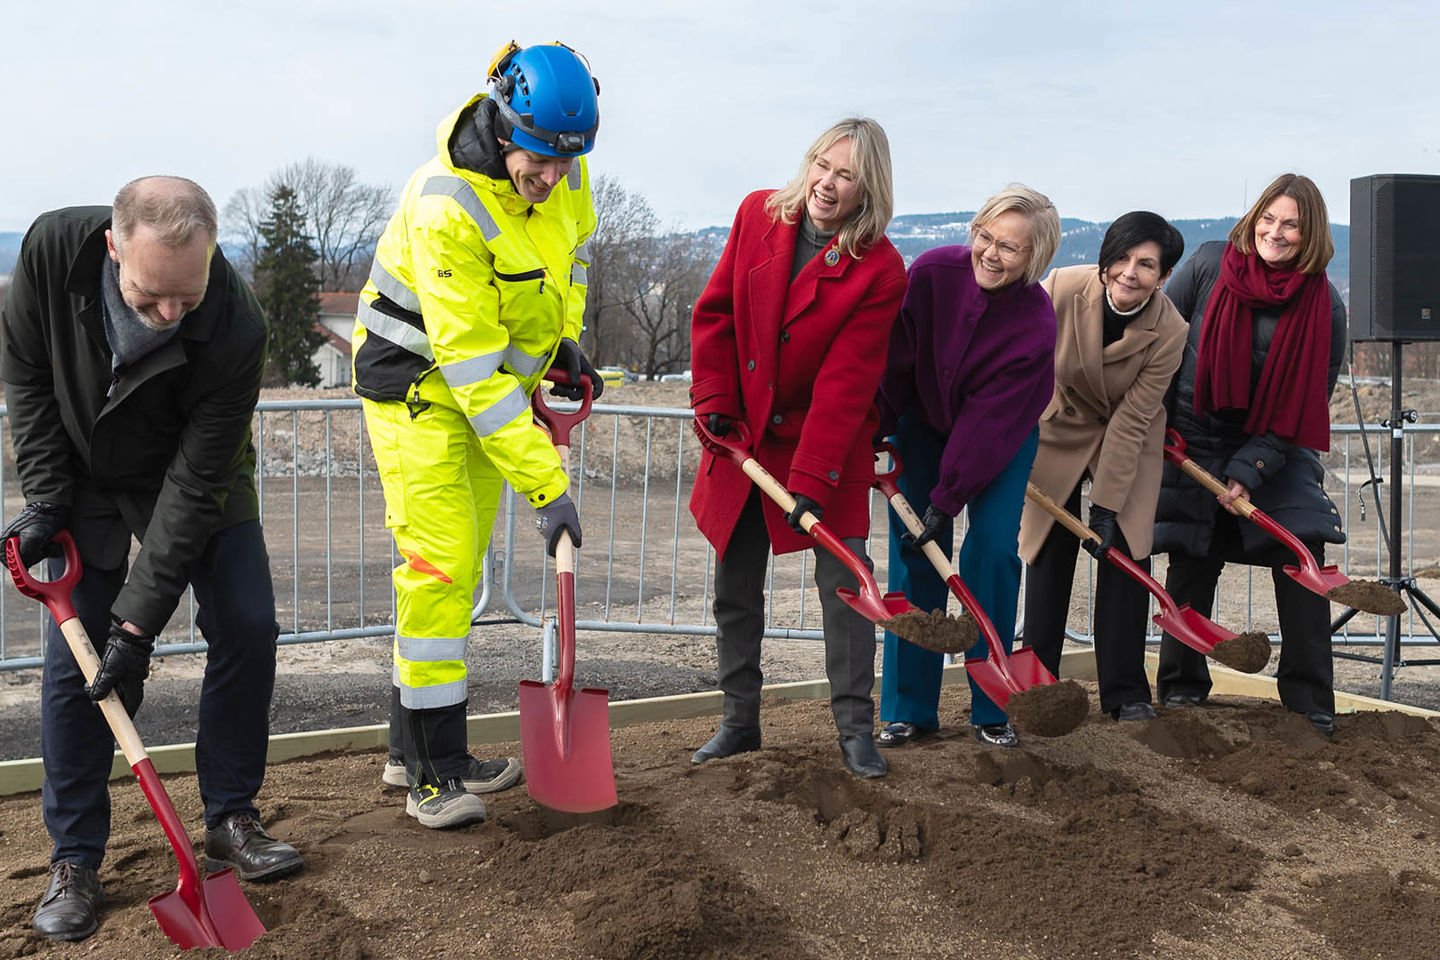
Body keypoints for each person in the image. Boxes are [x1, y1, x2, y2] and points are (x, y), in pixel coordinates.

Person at [0, 176, 303, 942]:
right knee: (76, 665)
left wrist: (137, 630)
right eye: (150, 297)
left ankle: (231, 816)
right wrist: (45, 495)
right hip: (88, 468)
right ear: (112, 246)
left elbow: (196, 483)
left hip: (197, 473)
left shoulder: (236, 324)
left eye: (187, 299)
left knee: (247, 622)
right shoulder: (49, 255)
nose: (171, 315)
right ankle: (75, 857)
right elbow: (29, 378)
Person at [353, 40, 603, 828]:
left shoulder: (567, 165)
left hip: (491, 386)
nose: (552, 178)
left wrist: (564, 341)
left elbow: (565, 266)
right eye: (538, 160)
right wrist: (547, 486)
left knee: (456, 568)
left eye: (566, 163)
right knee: (440, 568)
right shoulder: (445, 205)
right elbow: (471, 370)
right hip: (418, 390)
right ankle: (431, 772)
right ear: (504, 127)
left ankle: (417, 752)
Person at [688, 118, 908, 779]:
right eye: (823, 165)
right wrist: (715, 405)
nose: (828, 183)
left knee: (847, 588)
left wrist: (813, 474)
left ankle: (854, 731)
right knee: (735, 585)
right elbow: (717, 313)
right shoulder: (758, 214)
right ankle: (739, 721)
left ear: (868, 190)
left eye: (847, 176)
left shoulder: (881, 269)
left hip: (825, 443)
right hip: (745, 435)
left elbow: (849, 380)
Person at [1153, 173, 1347, 736]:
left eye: (1291, 224)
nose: (1276, 232)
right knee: (1193, 552)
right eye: (1269, 218)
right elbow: (1158, 344)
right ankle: (1182, 689)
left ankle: (1309, 701)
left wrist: (1250, 470)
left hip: (1273, 448)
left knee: (1301, 553)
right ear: (1253, 216)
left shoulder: (1324, 306)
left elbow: (1304, 405)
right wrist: (1157, 426)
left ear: (1309, 233)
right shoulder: (1210, 265)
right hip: (1190, 437)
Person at [876, 185, 1061, 750]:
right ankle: (909, 707)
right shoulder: (932, 273)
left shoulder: (1034, 322)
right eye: (985, 236)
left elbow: (989, 423)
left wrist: (947, 497)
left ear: (1035, 258)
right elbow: (897, 364)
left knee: (994, 551)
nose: (990, 252)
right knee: (915, 551)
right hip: (924, 422)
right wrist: (877, 430)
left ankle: (993, 703)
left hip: (1000, 437)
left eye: (1009, 247)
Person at [1019, 212, 1188, 720]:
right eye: (1121, 257)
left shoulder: (1170, 329)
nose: (1129, 272)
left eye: (1146, 264)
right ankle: (1038, 680)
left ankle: (1125, 691)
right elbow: (1028, 361)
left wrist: (1107, 506)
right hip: (1060, 424)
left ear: (1162, 276)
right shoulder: (1063, 288)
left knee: (1127, 553)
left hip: (1126, 435)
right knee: (1048, 548)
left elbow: (1135, 417)